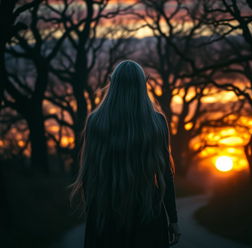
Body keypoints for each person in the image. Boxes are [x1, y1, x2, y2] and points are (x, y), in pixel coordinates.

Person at [69, 59, 181, 248]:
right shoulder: (157, 122)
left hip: (106, 213)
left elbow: (89, 173)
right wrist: (173, 220)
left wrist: (95, 214)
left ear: (112, 83)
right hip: (149, 214)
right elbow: (164, 175)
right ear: (143, 84)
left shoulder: (96, 121)